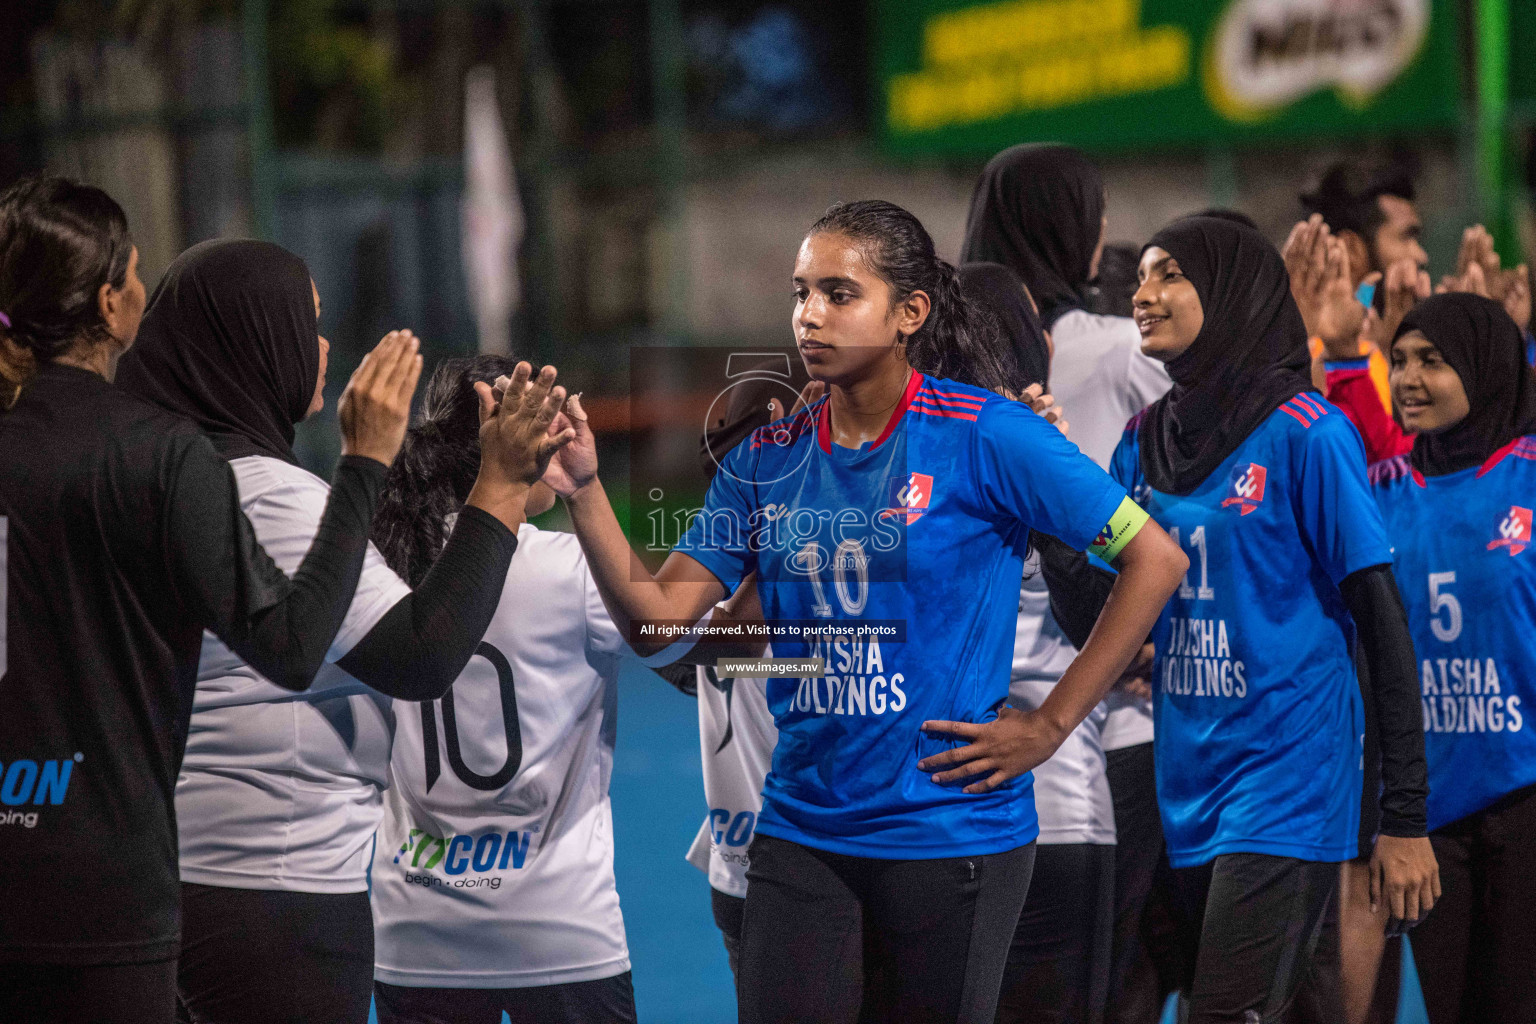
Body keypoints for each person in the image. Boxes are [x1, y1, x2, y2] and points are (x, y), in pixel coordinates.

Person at [543, 198, 1187, 1023]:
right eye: (801, 292)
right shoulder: (765, 461)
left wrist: (1051, 725)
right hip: (802, 831)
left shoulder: (988, 434)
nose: (809, 315)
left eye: (839, 294)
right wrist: (587, 491)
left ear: (909, 312)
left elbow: (1154, 558)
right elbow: (660, 623)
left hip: (953, 837)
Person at [111, 241, 567, 1024]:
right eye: (303, 324)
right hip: (273, 887)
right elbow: (422, 654)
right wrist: (498, 483)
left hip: (177, 870)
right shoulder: (269, 497)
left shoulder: (154, 471)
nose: (322, 349)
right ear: (250, 341)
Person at [0, 177, 419, 1022]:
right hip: (106, 893)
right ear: (114, 303)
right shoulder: (160, 458)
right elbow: (294, 647)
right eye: (137, 274)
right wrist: (365, 463)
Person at [1094, 215, 1436, 1023]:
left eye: (1170, 274)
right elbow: (1099, 613)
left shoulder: (1307, 434)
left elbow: (1383, 624)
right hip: (1187, 781)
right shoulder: (1140, 443)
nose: (1144, 295)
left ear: (1231, 291)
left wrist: (1404, 816)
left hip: (1287, 780)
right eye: (1141, 276)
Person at [368, 355, 678, 1024]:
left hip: (415, 932)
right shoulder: (570, 569)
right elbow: (677, 635)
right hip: (560, 929)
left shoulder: (382, 564)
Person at [962, 143, 1172, 1024]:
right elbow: (1179, 528)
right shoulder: (1119, 351)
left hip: (935, 781)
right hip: (1106, 725)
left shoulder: (912, 422)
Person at [1368, 293, 1536, 1024]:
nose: (1408, 378)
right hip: (1425, 814)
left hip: (1526, 796)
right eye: (1400, 359)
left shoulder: (1528, 472)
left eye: (1431, 361)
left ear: (1484, 366)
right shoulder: (1380, 491)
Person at [957, 261, 1115, 1024]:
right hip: (1052, 796)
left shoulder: (906, 451)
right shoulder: (1038, 449)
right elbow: (1104, 606)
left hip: (927, 800)